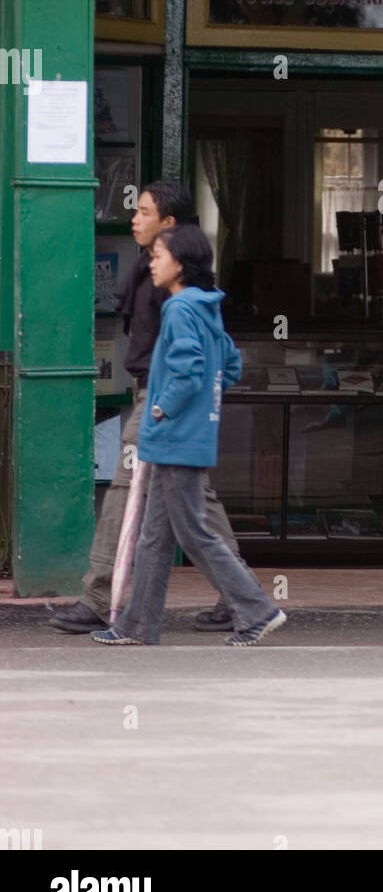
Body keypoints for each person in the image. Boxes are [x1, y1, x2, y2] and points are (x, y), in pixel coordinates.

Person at [49, 181, 242, 634]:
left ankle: (99, 599)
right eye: (135, 211)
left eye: (144, 212)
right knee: (195, 500)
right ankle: (241, 597)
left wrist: (167, 403)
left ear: (169, 223)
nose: (134, 219)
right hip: (156, 396)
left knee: (124, 490)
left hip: (158, 400)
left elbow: (209, 350)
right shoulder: (151, 271)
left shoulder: (173, 285)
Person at [93, 225, 286, 647]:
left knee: (195, 534)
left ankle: (257, 610)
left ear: (180, 265)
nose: (152, 263)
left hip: (174, 437)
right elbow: (230, 364)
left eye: (159, 255)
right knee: (154, 539)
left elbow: (188, 370)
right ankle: (136, 625)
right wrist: (201, 408)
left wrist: (161, 409)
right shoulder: (205, 307)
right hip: (185, 436)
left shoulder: (180, 308)